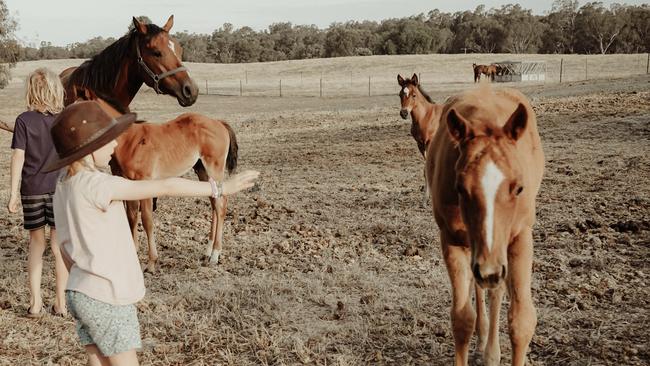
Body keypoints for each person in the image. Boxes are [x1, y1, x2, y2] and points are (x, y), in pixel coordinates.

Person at [43, 100, 259, 366]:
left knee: (97, 361)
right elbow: (165, 186)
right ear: (88, 149)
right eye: (108, 140)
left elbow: (64, 247)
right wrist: (220, 189)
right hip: (106, 297)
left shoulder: (62, 186)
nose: (115, 144)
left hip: (78, 293)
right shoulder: (99, 185)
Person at [8, 67, 69, 317]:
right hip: (59, 191)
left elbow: (18, 157)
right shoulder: (64, 120)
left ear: (31, 90)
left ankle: (35, 304)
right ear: (57, 90)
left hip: (31, 190)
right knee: (58, 247)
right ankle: (61, 304)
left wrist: (12, 194)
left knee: (36, 244)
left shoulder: (23, 120)